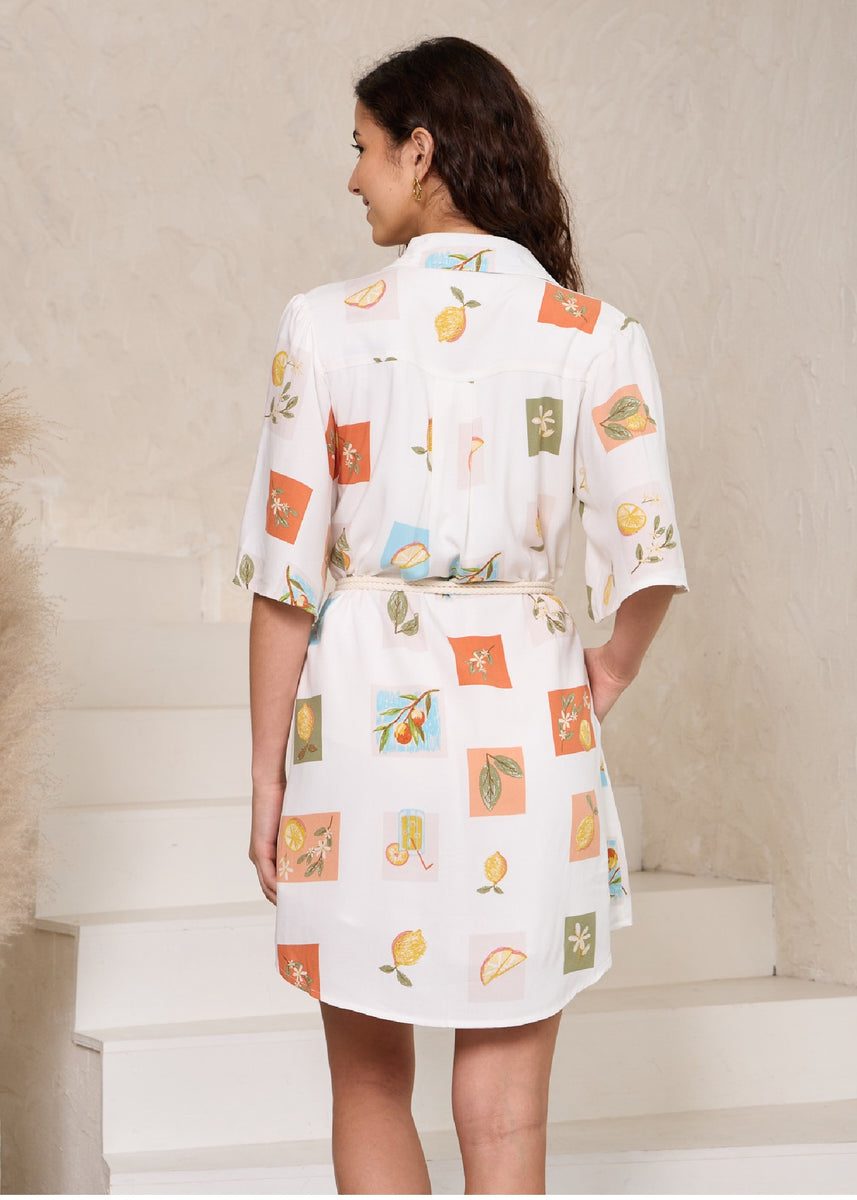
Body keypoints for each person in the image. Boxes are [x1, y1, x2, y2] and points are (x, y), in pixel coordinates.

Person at [235, 36, 688, 1196]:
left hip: (360, 723)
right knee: (505, 1118)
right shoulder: (592, 333)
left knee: (367, 1083)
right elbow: (646, 554)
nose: (352, 177)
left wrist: (267, 775)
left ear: (419, 151)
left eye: (362, 148)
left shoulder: (325, 325)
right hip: (525, 725)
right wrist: (606, 674)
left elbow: (285, 577)